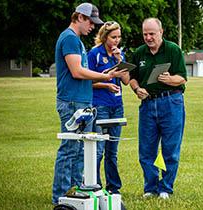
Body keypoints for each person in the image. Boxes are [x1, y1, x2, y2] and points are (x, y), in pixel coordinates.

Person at [52, 3, 125, 205]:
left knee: (80, 151)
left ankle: (76, 194)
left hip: (83, 101)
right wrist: (105, 75)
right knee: (69, 149)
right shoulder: (69, 38)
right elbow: (77, 72)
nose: (93, 27)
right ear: (80, 18)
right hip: (72, 101)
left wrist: (106, 77)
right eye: (91, 22)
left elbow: (85, 77)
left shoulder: (77, 41)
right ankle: (61, 197)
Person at [129, 18, 187, 199]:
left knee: (170, 149)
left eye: (152, 33)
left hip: (171, 102)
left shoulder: (173, 50)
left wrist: (170, 79)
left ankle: (166, 188)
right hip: (147, 105)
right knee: (146, 150)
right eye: (145, 34)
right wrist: (137, 89)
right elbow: (132, 78)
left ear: (161, 32)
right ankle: (150, 188)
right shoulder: (139, 53)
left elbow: (182, 78)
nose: (148, 37)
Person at [87, 21, 130, 194]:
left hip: (117, 106)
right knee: (98, 150)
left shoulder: (120, 54)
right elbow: (87, 81)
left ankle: (114, 188)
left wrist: (120, 60)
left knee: (112, 151)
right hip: (100, 106)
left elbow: (126, 81)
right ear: (105, 37)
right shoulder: (94, 54)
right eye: (113, 37)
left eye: (119, 37)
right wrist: (106, 84)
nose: (116, 41)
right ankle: (95, 186)